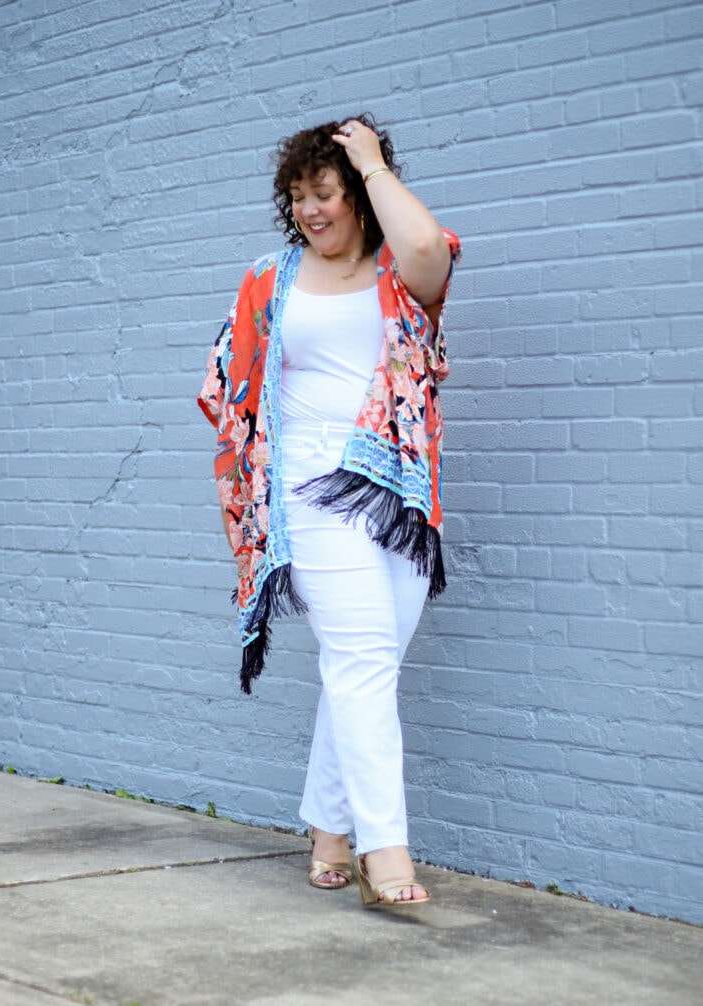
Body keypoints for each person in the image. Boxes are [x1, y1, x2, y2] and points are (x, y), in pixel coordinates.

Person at [198, 113, 461, 908]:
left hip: (400, 494)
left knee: (363, 667)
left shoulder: (397, 272)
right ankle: (387, 853)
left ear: (359, 196)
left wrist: (375, 164)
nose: (311, 210)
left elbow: (427, 248)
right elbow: (230, 389)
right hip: (308, 488)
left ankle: (327, 828)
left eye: (327, 192)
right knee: (363, 662)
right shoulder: (268, 278)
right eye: (298, 196)